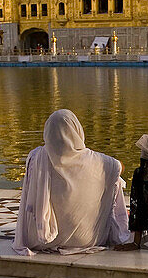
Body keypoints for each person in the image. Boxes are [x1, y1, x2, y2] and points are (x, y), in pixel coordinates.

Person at [14, 109, 131, 255]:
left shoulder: (36, 157)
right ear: (77, 130)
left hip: (38, 239)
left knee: (111, 177)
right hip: (86, 239)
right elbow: (119, 167)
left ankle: (46, 227)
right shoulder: (97, 161)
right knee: (114, 179)